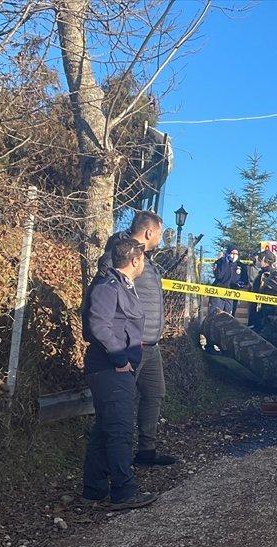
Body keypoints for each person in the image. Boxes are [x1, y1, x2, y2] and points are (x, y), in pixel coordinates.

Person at [81, 238, 158, 510]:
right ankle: (124, 492)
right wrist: (119, 358)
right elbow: (99, 326)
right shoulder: (107, 287)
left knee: (105, 428)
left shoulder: (124, 286)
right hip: (109, 368)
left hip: (113, 367)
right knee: (120, 430)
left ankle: (94, 488)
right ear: (135, 260)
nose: (144, 264)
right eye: (144, 260)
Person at [98, 211, 176, 467]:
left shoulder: (147, 260)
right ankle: (114, 459)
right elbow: (110, 288)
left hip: (151, 345)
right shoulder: (120, 253)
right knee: (121, 402)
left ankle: (146, 451)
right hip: (132, 344)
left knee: (154, 395)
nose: (162, 239)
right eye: (160, 233)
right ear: (149, 232)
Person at [247, 250, 277, 330]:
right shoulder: (263, 272)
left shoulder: (268, 274)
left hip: (261, 310)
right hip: (257, 307)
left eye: (259, 259)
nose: (257, 261)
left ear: (264, 260)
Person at [209, 246, 243, 315]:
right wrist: (225, 263)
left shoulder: (240, 265)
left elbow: (243, 280)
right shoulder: (220, 262)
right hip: (218, 293)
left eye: (236, 254)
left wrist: (239, 284)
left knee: (229, 317)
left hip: (232, 294)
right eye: (232, 253)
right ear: (228, 253)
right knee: (215, 315)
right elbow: (219, 275)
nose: (234, 255)